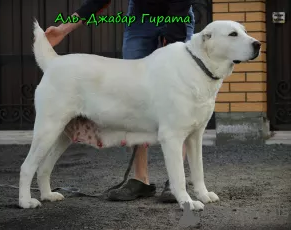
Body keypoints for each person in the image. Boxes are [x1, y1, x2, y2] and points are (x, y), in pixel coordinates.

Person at [45, 0, 195, 203]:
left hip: (177, 13)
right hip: (140, 18)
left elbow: (180, 6)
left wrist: (173, 44)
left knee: (179, 97)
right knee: (133, 94)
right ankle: (140, 179)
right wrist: (63, 29)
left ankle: (176, 182)